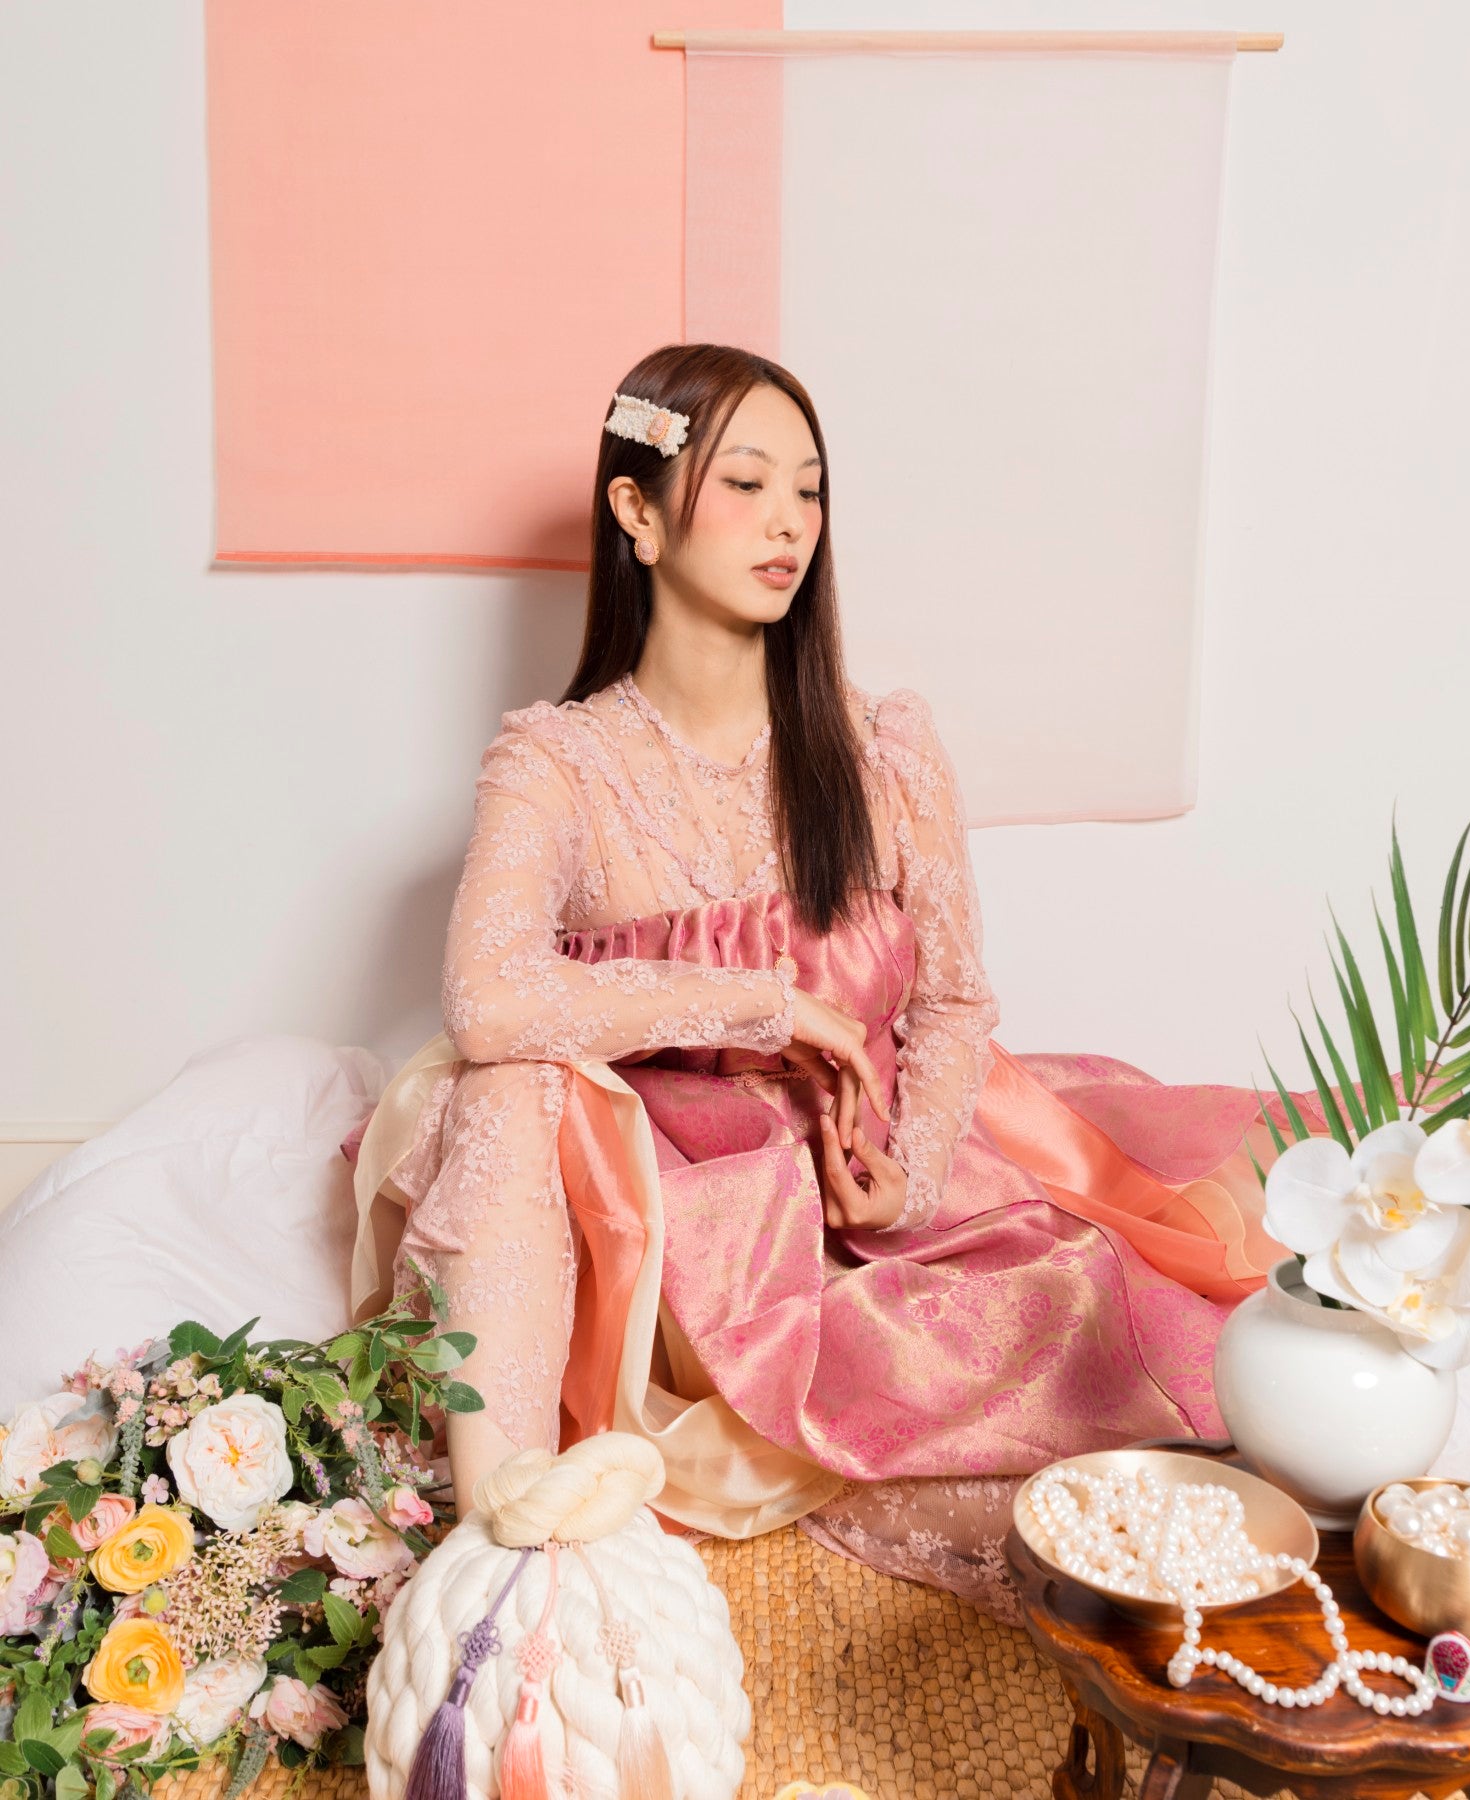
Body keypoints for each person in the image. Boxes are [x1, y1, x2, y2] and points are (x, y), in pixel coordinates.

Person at [349, 341, 1293, 1627]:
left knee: (1104, 1319)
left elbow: (953, 1003)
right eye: (746, 483)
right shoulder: (559, 765)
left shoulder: (881, 746)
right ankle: (493, 1579)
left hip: (856, 1169)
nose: (790, 522)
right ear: (637, 513)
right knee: (506, 1086)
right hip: (668, 1227)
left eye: (809, 489)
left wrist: (912, 1170)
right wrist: (767, 1004)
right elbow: (491, 997)